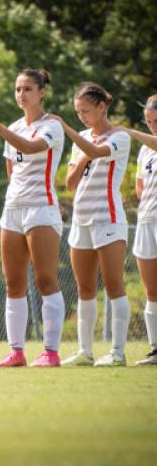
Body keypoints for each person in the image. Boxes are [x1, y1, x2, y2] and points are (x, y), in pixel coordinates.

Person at [0, 69, 66, 367]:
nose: (21, 95)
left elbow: (30, 147)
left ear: (42, 92)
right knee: (13, 283)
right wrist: (3, 127)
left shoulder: (52, 125)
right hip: (13, 210)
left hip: (41, 208)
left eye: (28, 89)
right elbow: (12, 172)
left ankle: (51, 351)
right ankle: (16, 352)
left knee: (45, 280)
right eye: (18, 89)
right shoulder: (14, 126)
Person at [54, 82, 130, 367]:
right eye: (77, 113)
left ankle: (118, 353)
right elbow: (71, 182)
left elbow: (97, 154)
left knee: (113, 285)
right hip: (81, 220)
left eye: (86, 111)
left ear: (102, 107)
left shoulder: (119, 136)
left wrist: (83, 145)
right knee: (84, 288)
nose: (82, 117)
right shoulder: (83, 139)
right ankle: (85, 352)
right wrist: (85, 148)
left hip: (108, 218)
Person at [122, 96, 157, 365]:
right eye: (148, 122)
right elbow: (139, 186)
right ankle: (156, 349)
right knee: (151, 290)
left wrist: (129, 132)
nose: (152, 126)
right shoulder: (145, 150)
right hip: (146, 221)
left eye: (156, 121)